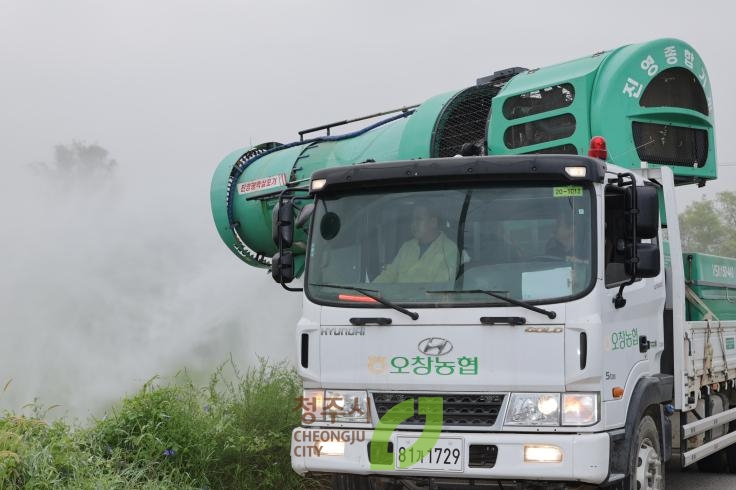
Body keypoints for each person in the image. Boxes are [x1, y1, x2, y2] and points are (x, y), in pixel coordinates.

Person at [373, 203, 458, 283]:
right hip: (394, 298)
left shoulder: (450, 250)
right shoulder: (407, 247)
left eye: (418, 219)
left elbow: (440, 289)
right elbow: (391, 274)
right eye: (412, 220)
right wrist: (372, 289)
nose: (413, 224)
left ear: (433, 222)